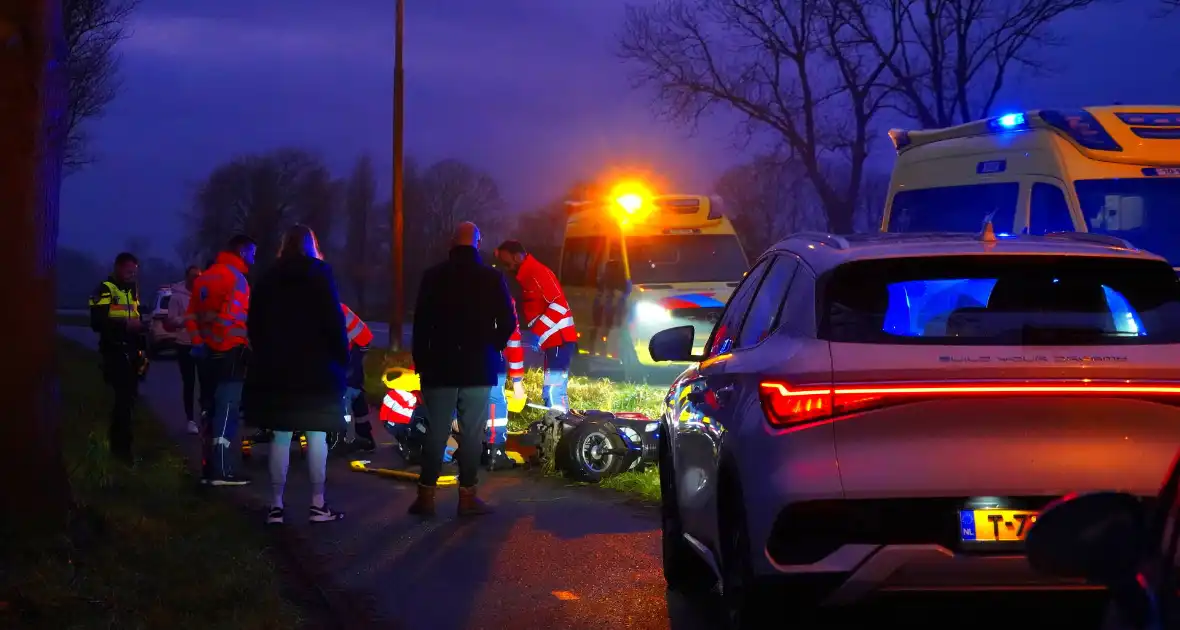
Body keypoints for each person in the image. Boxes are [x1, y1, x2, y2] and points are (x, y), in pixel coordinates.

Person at [410, 221, 517, 517]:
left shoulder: (433, 277)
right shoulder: (492, 278)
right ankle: (467, 497)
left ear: (451, 242)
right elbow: (508, 321)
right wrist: (491, 346)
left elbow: (420, 324)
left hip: (439, 366)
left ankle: (426, 497)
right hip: (478, 366)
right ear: (477, 242)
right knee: (471, 433)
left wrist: (422, 361)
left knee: (436, 431)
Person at [243, 224, 348, 525]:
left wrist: (265, 354)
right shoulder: (321, 275)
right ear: (312, 246)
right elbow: (334, 320)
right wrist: (341, 359)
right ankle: (317, 504)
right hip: (317, 371)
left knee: (280, 435)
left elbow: (255, 322)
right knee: (316, 436)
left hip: (277, 370)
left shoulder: (268, 278)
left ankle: (276, 505)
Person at [188, 235, 257, 486]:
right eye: (252, 253)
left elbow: (191, 316)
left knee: (208, 409)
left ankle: (208, 468)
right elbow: (230, 317)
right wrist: (219, 344)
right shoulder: (237, 280)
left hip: (206, 355)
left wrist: (201, 345)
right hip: (229, 353)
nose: (253, 258)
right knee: (227, 410)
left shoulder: (204, 277)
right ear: (241, 251)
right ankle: (223, 469)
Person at [494, 240, 578, 411]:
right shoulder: (528, 276)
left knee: (554, 389)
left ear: (517, 257)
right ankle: (556, 425)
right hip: (554, 342)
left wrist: (537, 332)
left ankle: (560, 427)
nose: (507, 268)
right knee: (551, 389)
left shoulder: (538, 273)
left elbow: (559, 305)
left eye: (507, 263)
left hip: (559, 340)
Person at [88, 252, 147, 465]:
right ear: (118, 267)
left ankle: (124, 449)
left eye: (134, 271)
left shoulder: (132, 290)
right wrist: (124, 325)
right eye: (129, 270)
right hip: (114, 351)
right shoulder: (105, 288)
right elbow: (97, 321)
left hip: (131, 351)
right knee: (122, 402)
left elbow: (135, 316)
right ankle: (120, 452)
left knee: (129, 402)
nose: (132, 275)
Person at [328, 302, 376, 455]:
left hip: (346, 358)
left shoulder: (331, 310)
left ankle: (346, 439)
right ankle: (364, 437)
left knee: (347, 394)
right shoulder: (336, 308)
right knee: (355, 393)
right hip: (348, 355)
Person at [485, 297, 526, 470]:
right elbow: (513, 341)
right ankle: (495, 452)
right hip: (491, 356)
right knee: (495, 401)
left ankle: (465, 450)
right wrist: (517, 381)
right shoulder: (504, 299)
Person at [167, 265, 202, 434]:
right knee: (189, 382)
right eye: (193, 276)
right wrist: (187, 318)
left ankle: (205, 415)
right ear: (187, 277)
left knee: (205, 381)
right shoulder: (177, 297)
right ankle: (190, 419)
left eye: (199, 276)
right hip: (184, 343)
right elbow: (172, 320)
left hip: (202, 343)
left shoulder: (203, 293)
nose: (196, 279)